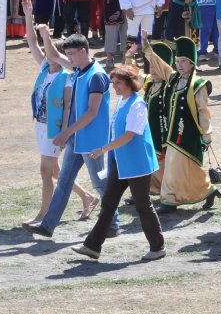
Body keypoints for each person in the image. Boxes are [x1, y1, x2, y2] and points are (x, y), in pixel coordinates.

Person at [25, 34, 117, 238]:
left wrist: (66, 131)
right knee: (64, 181)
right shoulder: (78, 70)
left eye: (71, 54)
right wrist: (44, 34)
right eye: (68, 54)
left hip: (91, 141)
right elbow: (54, 55)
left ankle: (114, 223)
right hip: (77, 139)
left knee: (100, 183)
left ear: (83, 51)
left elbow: (92, 112)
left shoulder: (96, 76)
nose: (68, 58)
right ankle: (48, 225)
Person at [71, 64, 166, 261]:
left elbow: (129, 135)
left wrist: (104, 149)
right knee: (108, 204)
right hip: (122, 164)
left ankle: (158, 247)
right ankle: (92, 246)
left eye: (119, 83)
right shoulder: (122, 103)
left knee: (143, 206)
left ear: (130, 84)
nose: (115, 86)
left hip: (138, 165)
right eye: (113, 83)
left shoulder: (137, 105)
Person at [20, 0, 97, 225]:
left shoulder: (67, 75)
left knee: (45, 171)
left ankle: (43, 214)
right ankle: (87, 197)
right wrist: (28, 15)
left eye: (49, 50)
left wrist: (63, 133)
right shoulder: (45, 67)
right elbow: (32, 42)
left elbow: (66, 110)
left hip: (54, 129)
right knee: (54, 171)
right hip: (41, 125)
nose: (45, 53)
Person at [157, 36, 221, 213]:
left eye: (183, 61)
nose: (179, 64)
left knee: (181, 166)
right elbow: (162, 66)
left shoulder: (198, 85)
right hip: (173, 133)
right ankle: (207, 191)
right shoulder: (174, 79)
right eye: (177, 61)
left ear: (192, 63)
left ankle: (171, 200)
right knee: (182, 168)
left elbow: (203, 111)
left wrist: (207, 134)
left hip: (190, 132)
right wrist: (147, 49)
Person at [143, 39, 175, 195]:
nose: (153, 70)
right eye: (151, 66)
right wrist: (129, 58)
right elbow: (131, 78)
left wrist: (148, 49)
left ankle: (164, 190)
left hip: (163, 130)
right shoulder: (150, 83)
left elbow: (166, 70)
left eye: (157, 66)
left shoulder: (170, 84)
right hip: (148, 128)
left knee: (161, 161)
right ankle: (150, 189)